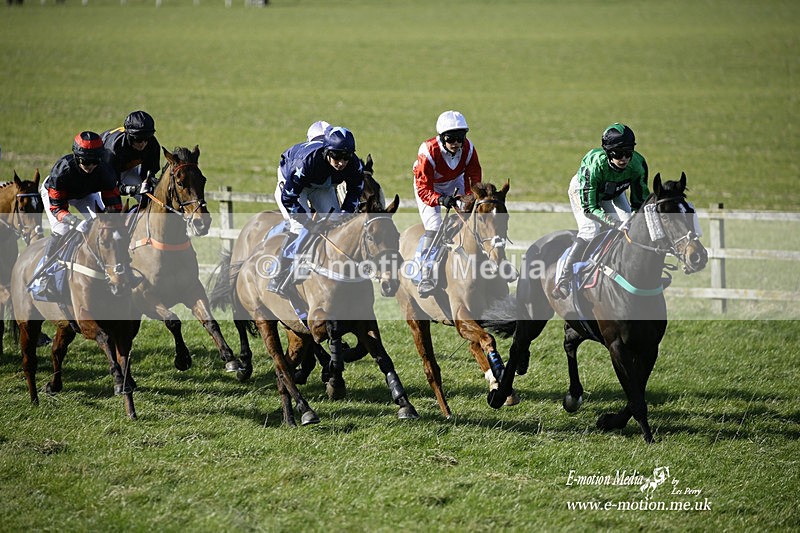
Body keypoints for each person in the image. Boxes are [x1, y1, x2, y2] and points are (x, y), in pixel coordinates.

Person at [552, 122, 650, 299]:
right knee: (591, 230)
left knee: (630, 227)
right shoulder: (594, 165)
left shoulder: (638, 164)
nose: (624, 159)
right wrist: (615, 223)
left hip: (614, 191)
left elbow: (640, 202)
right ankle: (563, 279)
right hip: (585, 193)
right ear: (608, 152)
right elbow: (590, 209)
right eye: (618, 153)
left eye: (628, 153)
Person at [268, 125, 365, 297]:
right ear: (327, 152)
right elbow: (288, 198)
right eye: (336, 156)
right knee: (301, 229)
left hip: (321, 185)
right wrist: (307, 222)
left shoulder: (354, 165)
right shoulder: (306, 163)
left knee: (336, 222)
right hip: (293, 184)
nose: (341, 162)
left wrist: (345, 214)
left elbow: (355, 191)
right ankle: (279, 273)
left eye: (346, 157)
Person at [36, 131, 122, 295]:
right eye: (85, 161)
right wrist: (74, 221)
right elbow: (57, 208)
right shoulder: (62, 171)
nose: (90, 166)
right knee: (62, 229)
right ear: (77, 157)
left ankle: (112, 269)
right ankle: (45, 274)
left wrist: (112, 221)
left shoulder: (105, 171)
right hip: (57, 197)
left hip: (86, 194)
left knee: (105, 228)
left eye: (95, 161)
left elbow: (114, 205)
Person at [412, 110, 482, 297]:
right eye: (451, 139)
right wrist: (440, 199)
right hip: (429, 186)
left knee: (469, 219)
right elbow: (423, 187)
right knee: (434, 226)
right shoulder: (428, 151)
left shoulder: (468, 148)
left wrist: (468, 198)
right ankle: (425, 273)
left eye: (460, 138)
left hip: (455, 181)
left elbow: (474, 178)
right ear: (442, 137)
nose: (456, 143)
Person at [102, 110, 160, 203]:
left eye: (147, 138)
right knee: (113, 208)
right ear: (128, 135)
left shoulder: (153, 144)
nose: (143, 143)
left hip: (125, 169)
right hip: (101, 176)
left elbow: (148, 174)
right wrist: (133, 189)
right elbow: (110, 185)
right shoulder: (113, 149)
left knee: (148, 199)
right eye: (138, 139)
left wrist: (150, 182)